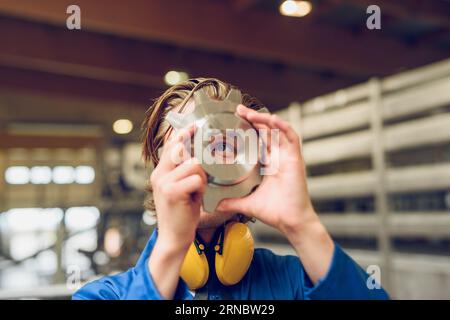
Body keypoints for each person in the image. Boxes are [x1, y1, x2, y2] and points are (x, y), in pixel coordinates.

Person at [73, 78, 389, 300]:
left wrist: (303, 225)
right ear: (158, 170)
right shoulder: (100, 296)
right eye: (187, 144)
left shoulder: (297, 282)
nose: (203, 162)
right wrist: (170, 250)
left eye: (222, 145)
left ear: (252, 163)